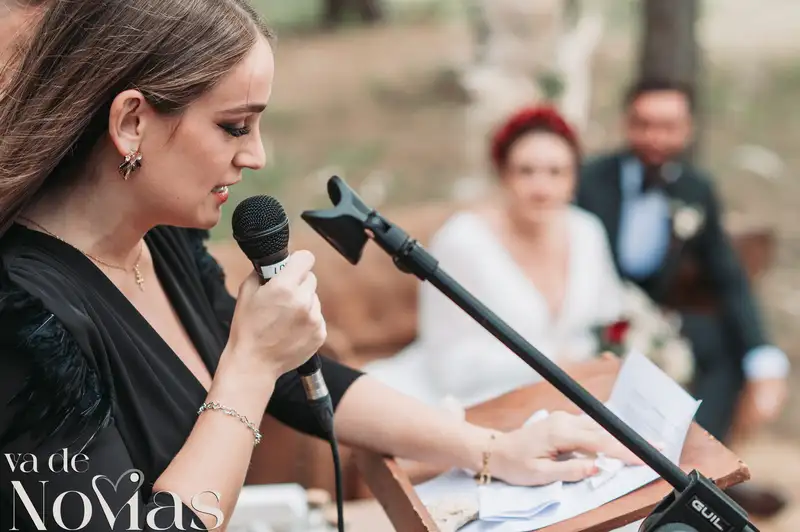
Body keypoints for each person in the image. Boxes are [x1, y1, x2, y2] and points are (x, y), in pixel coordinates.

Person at [0, 2, 640, 531]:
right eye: (233, 126)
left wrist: (491, 449)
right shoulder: (22, 319)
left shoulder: (161, 240)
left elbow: (296, 381)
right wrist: (249, 362)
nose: (256, 155)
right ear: (132, 122)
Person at [576, 78, 790, 516]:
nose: (655, 137)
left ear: (687, 129)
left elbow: (728, 275)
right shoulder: (591, 180)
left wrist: (763, 356)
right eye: (644, 124)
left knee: (720, 346)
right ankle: (644, 488)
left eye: (668, 126)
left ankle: (699, 478)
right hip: (595, 312)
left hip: (658, 318)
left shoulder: (695, 188)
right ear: (627, 123)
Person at [364, 106, 626, 409]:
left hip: (569, 398)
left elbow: (610, 315)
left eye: (556, 172)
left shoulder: (587, 231)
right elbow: (449, 364)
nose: (542, 188)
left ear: (574, 179)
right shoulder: (462, 240)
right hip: (470, 401)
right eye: (526, 171)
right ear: (503, 175)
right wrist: (553, 365)